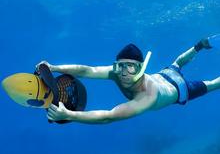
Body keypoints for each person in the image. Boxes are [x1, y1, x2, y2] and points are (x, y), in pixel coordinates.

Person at [36, 35, 220, 124]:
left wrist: (69, 115)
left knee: (212, 85)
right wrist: (53, 67)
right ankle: (199, 46)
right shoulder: (118, 73)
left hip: (180, 89)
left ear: (140, 68)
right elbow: (87, 70)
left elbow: (108, 116)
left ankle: (199, 49)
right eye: (120, 66)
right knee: (177, 64)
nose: (124, 72)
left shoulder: (148, 96)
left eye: (130, 66)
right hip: (163, 75)